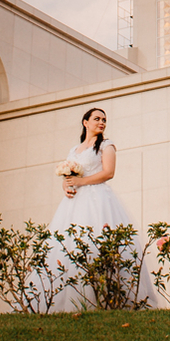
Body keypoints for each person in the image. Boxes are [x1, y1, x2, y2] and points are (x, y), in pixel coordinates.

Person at [44, 107, 160, 310]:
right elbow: (68, 177)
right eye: (97, 118)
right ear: (85, 122)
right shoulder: (75, 149)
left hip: (98, 200)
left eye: (104, 119)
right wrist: (67, 184)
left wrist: (81, 182)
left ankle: (112, 299)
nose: (102, 122)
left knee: (97, 242)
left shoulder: (106, 145)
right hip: (74, 203)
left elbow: (108, 172)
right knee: (70, 244)